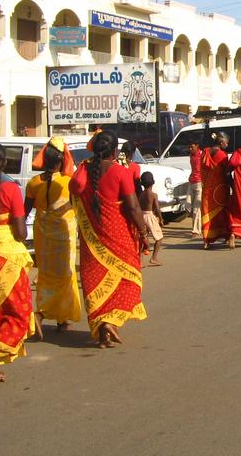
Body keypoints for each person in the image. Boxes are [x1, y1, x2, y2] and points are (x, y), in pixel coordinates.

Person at [69, 130, 149, 349]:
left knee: (95, 280)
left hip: (92, 241)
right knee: (128, 279)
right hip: (119, 237)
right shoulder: (120, 173)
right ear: (115, 151)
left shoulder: (83, 170)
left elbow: (73, 191)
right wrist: (143, 232)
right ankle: (110, 321)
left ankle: (104, 323)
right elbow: (133, 207)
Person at [24, 137, 80, 336]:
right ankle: (59, 318)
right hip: (64, 233)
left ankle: (42, 313)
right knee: (65, 274)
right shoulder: (68, 182)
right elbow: (78, 207)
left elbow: (25, 211)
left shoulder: (33, 182)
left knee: (46, 274)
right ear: (62, 160)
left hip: (42, 233)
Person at [0, 142, 35, 382]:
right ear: (2, 163)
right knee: (16, 311)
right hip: (6, 256)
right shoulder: (9, 189)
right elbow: (21, 232)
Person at [201, 131, 232, 249]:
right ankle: (226, 236)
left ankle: (206, 240)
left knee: (207, 213)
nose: (227, 145)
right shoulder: (222, 155)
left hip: (207, 189)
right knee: (223, 213)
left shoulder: (205, 152)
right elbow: (226, 172)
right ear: (221, 141)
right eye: (226, 142)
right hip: (220, 188)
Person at [138, 171, 164, 265]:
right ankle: (154, 258)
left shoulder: (141, 195)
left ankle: (139, 260)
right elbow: (157, 208)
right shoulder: (153, 195)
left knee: (143, 237)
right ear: (153, 182)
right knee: (159, 237)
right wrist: (160, 219)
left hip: (141, 215)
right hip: (149, 215)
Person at [187, 142, 203, 238]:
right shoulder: (191, 155)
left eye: (191, 147)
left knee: (196, 208)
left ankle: (196, 230)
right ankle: (198, 225)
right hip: (191, 181)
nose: (190, 149)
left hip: (199, 182)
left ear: (197, 146)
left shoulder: (202, 155)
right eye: (189, 147)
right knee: (187, 205)